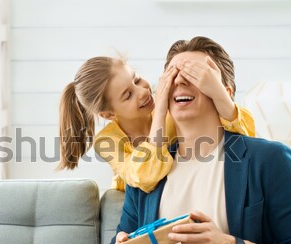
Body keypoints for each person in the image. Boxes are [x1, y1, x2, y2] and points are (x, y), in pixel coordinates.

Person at [101, 36, 291, 244]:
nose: (180, 80)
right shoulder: (147, 173)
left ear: (226, 93)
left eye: (197, 74)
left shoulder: (269, 160)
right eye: (172, 75)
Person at [58, 48, 255, 193]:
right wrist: (160, 110)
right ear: (109, 114)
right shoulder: (107, 141)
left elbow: (244, 134)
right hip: (141, 203)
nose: (143, 91)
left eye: (136, 79)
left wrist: (219, 92)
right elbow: (146, 176)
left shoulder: (174, 106)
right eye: (128, 95)